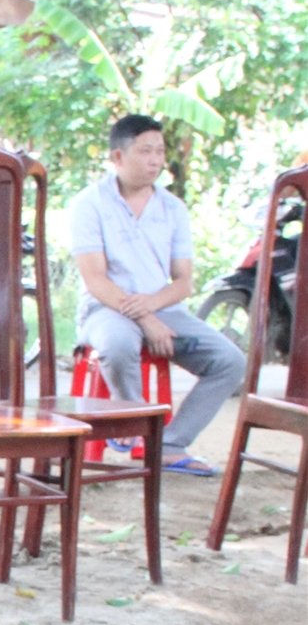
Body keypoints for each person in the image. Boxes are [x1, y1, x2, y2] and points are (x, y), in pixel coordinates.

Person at [71, 114, 245, 476]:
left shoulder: (173, 209)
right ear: (117, 157)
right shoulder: (89, 203)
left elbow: (183, 282)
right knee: (118, 344)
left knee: (230, 360)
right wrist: (145, 318)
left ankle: (169, 444)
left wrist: (152, 307)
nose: (155, 160)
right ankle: (129, 419)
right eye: (145, 151)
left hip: (163, 308)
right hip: (106, 308)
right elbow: (95, 279)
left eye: (159, 152)